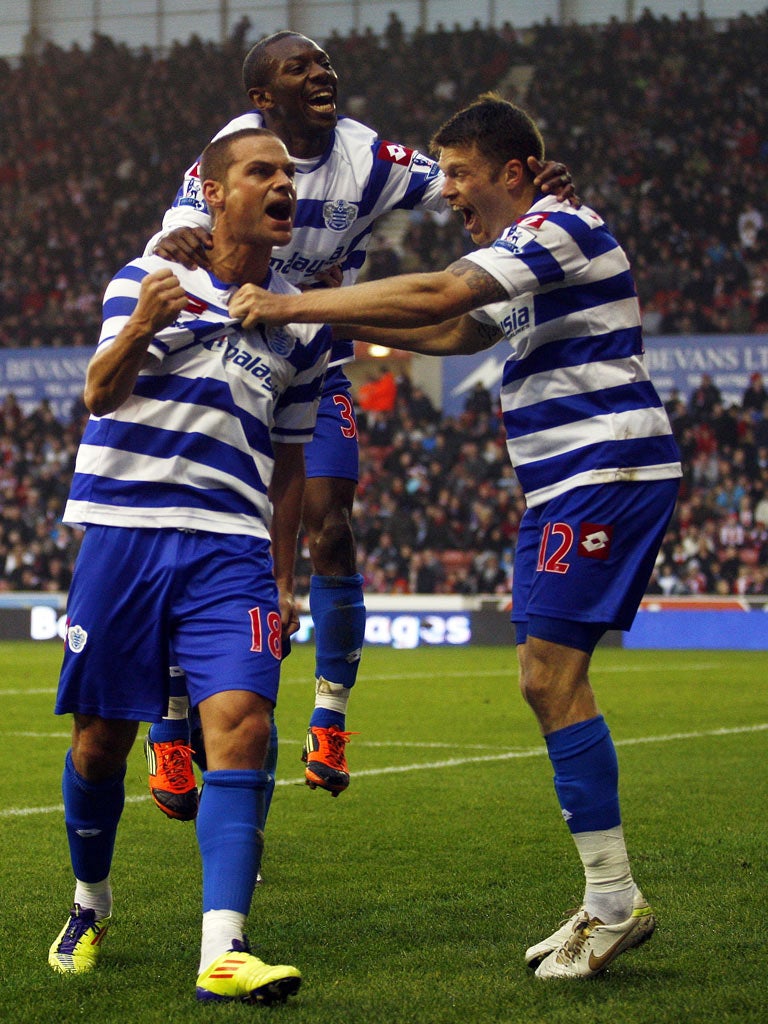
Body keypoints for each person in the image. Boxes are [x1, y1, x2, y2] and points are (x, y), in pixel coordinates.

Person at [229, 93, 683, 980]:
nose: (449, 196)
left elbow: (441, 290)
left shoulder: (560, 228)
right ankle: (607, 897)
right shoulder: (532, 259)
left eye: (463, 177)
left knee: (548, 677)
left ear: (512, 172)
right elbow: (447, 327)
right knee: (545, 680)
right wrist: (324, 317)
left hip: (604, 468)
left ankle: (613, 899)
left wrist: (289, 308)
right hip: (564, 482)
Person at [144, 30, 577, 806]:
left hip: (313, 353)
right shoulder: (232, 153)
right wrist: (174, 237)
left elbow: (460, 187)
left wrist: (529, 190)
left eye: (323, 63)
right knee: (201, 532)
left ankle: (331, 717)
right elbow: (176, 243)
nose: (322, 72)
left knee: (334, 529)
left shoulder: (371, 158)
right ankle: (171, 723)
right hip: (224, 363)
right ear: (261, 99)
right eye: (298, 67)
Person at [47, 127, 333, 1004]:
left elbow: (291, 465)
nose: (283, 184)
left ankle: (225, 949)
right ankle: (89, 903)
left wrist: (283, 577)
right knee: (100, 744)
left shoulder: (303, 323)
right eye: (263, 171)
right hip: (125, 535)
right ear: (213, 192)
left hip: (234, 547)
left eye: (290, 173)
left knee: (243, 722)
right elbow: (99, 393)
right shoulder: (148, 276)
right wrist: (144, 323)